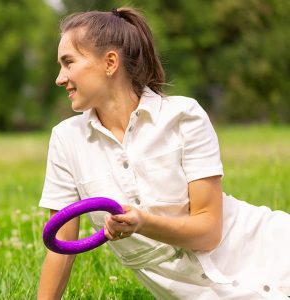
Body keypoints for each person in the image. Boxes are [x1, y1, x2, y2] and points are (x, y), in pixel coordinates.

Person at [37, 7, 290, 299]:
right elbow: (60, 249)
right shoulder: (66, 140)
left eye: (68, 63)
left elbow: (208, 232)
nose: (59, 78)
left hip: (266, 250)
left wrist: (145, 223)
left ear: (110, 62)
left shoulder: (183, 115)